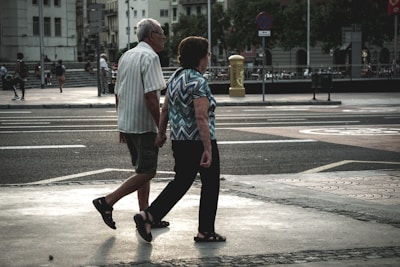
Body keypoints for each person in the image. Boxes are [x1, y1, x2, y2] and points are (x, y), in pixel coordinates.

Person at [133, 36, 226, 243]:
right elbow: (201, 116)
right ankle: (205, 231)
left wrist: (161, 132)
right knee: (210, 184)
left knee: (181, 182)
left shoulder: (176, 77)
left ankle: (149, 215)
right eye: (208, 54)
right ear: (200, 58)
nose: (209, 58)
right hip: (199, 141)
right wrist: (208, 149)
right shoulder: (198, 81)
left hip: (180, 140)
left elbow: (165, 108)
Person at [92, 18, 169, 230]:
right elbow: (151, 97)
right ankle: (107, 202)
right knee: (148, 172)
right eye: (161, 33)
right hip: (145, 126)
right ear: (151, 35)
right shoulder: (150, 57)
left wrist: (121, 125)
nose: (164, 37)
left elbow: (118, 93)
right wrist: (161, 129)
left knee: (141, 170)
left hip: (129, 123)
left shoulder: (126, 55)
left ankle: (146, 215)